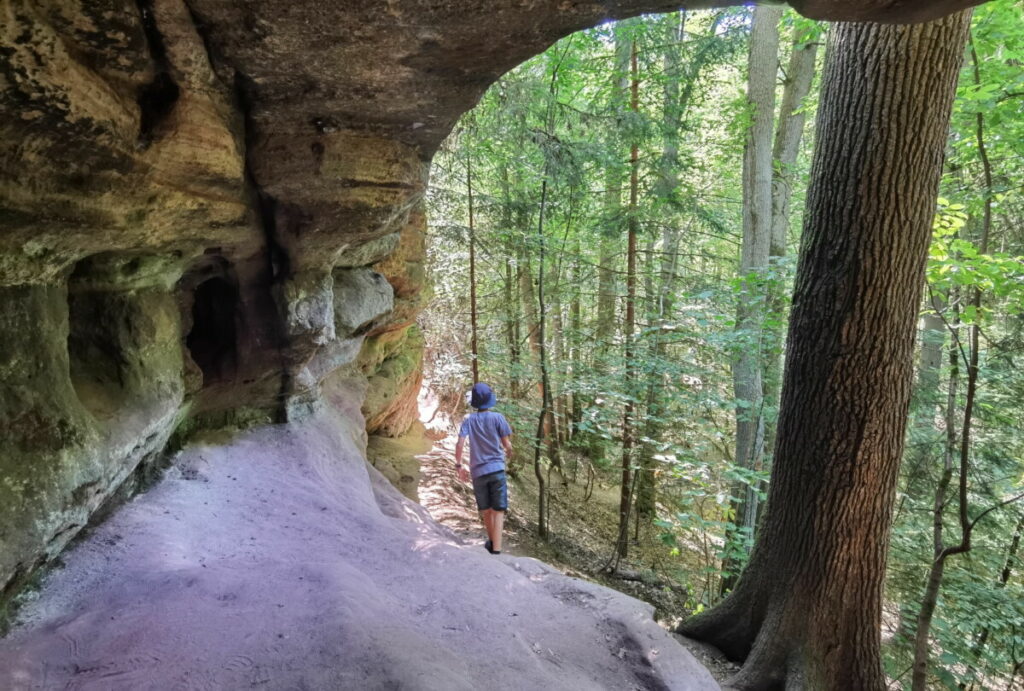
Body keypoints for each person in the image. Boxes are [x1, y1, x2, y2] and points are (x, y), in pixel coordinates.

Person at [455, 382, 513, 555]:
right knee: (499, 510)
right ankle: (497, 550)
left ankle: (492, 543)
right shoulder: (498, 418)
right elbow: (507, 444)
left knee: (486, 510)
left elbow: (459, 443)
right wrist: (509, 452)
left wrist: (459, 465)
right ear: (490, 400)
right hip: (496, 469)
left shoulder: (468, 420)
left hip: (478, 472)